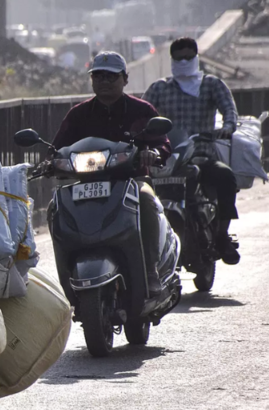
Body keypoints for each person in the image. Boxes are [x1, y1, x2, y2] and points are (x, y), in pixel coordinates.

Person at [52, 51, 173, 295]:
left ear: (125, 79)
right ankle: (66, 279)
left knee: (147, 201)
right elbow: (57, 149)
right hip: (84, 183)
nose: (105, 81)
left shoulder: (141, 110)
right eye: (99, 76)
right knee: (55, 208)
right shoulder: (78, 114)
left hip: (131, 180)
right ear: (92, 80)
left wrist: (154, 153)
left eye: (111, 76)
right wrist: (50, 162)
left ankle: (150, 271)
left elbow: (163, 142)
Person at [142, 37, 241, 265]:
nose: (184, 61)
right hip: (167, 158)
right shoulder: (159, 88)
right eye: (179, 57)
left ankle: (221, 235)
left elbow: (229, 110)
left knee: (226, 177)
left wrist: (227, 127)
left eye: (188, 57)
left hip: (202, 156)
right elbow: (142, 116)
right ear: (172, 59)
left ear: (196, 57)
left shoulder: (212, 84)